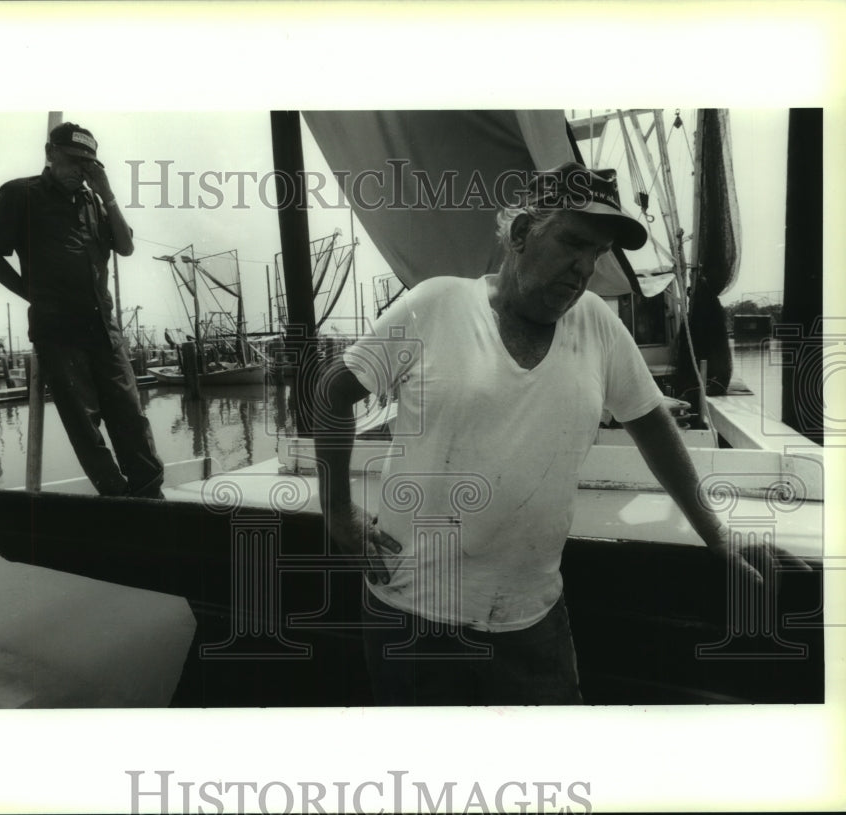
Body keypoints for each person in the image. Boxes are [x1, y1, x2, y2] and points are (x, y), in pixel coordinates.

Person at [315, 161, 792, 705]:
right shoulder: (438, 304)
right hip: (410, 612)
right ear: (521, 234)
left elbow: (652, 424)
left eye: (597, 254)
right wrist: (336, 510)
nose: (584, 267)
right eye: (573, 242)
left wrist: (718, 536)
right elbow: (333, 391)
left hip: (531, 620)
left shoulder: (597, 326)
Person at [0, 122, 164, 498]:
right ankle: (115, 497)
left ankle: (149, 497)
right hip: (59, 332)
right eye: (74, 160)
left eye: (89, 164)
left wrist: (106, 191)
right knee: (85, 426)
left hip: (103, 329)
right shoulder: (21, 194)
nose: (81, 170)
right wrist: (31, 293)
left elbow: (125, 247)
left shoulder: (93, 201)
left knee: (131, 417)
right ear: (50, 154)